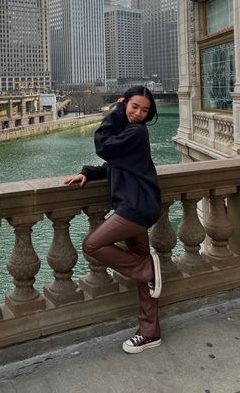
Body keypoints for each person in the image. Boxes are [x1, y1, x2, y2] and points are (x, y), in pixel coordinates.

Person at [64, 85, 162, 354]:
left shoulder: (137, 132)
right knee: (146, 280)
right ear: (127, 103)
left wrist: (117, 110)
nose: (138, 113)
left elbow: (103, 144)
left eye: (144, 110)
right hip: (137, 206)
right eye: (134, 107)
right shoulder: (130, 134)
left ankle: (147, 268)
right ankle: (149, 332)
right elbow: (115, 164)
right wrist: (88, 173)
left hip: (135, 208)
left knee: (92, 245)